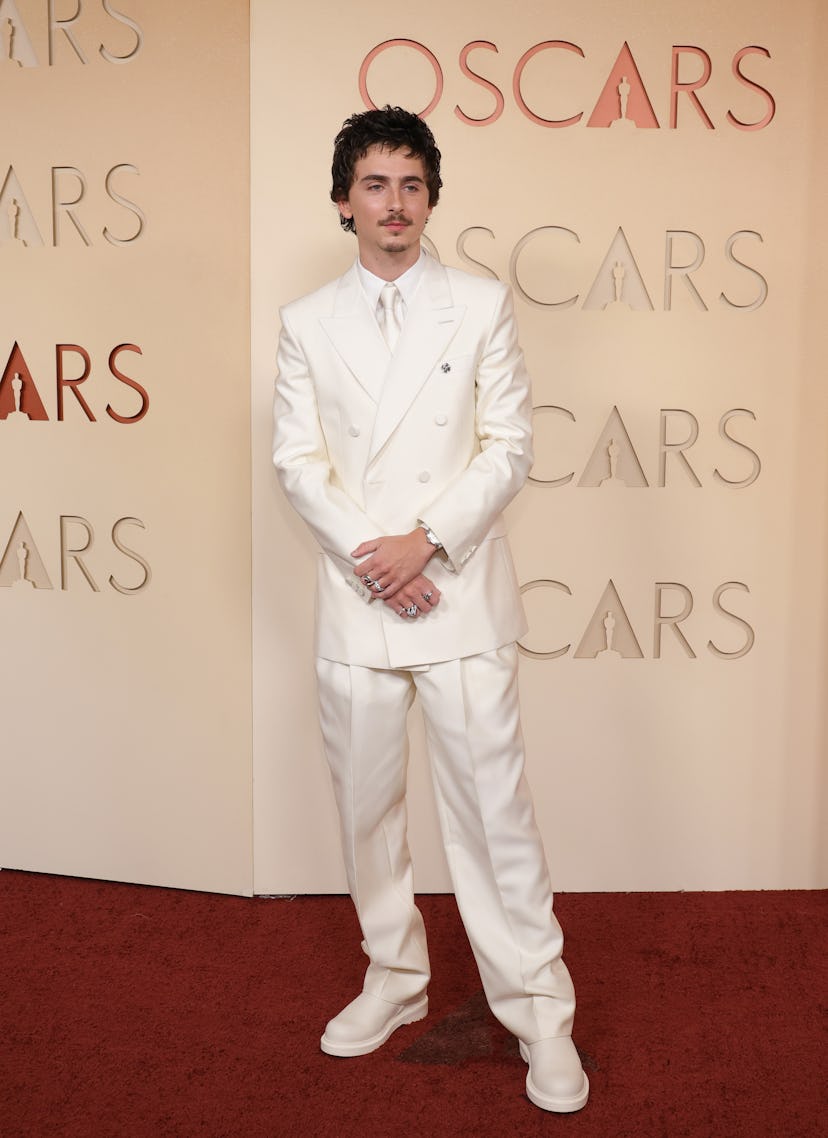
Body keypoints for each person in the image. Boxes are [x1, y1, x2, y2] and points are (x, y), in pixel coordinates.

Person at [272, 105, 588, 1114]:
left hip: (456, 594)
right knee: (367, 812)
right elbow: (297, 460)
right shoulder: (306, 322)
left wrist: (426, 545)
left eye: (411, 184)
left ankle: (542, 1015)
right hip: (359, 600)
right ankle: (395, 978)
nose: (394, 203)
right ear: (343, 201)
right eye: (375, 184)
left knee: (494, 819)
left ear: (431, 198)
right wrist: (379, 562)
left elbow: (508, 446)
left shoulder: (482, 304)